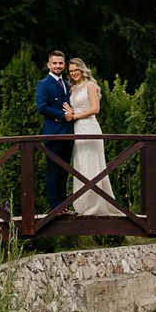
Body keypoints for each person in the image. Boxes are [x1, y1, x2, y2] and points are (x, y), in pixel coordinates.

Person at [68, 59, 118, 216]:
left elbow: (95, 108)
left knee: (93, 167)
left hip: (89, 127)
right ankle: (83, 206)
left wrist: (75, 116)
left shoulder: (90, 85)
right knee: (81, 167)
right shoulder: (73, 89)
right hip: (77, 130)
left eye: (76, 70)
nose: (74, 73)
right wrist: (70, 111)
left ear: (82, 70)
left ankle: (97, 206)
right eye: (71, 71)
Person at [35, 51, 73, 212]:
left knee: (64, 170)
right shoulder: (43, 84)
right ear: (49, 65)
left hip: (69, 132)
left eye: (60, 63)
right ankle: (54, 206)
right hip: (53, 132)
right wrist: (63, 116)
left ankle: (63, 205)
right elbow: (42, 108)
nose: (58, 66)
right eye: (55, 63)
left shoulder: (67, 83)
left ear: (64, 64)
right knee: (53, 171)